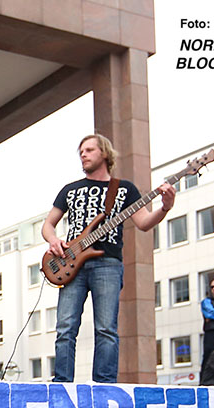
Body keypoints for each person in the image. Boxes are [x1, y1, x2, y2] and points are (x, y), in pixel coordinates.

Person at [42, 134, 176, 383]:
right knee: (65, 327)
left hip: (108, 264)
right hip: (70, 262)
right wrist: (53, 240)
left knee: (106, 328)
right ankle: (62, 382)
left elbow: (144, 223)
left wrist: (165, 207)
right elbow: (48, 225)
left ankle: (104, 385)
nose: (83, 154)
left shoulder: (124, 189)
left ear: (104, 153)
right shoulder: (70, 189)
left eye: (89, 150)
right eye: (81, 151)